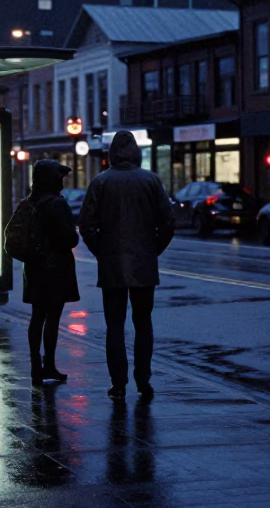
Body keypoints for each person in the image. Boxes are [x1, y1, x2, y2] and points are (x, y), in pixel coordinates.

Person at [77, 130, 175, 401]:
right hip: (144, 266)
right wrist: (152, 250)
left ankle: (118, 383)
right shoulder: (151, 181)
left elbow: (86, 225)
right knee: (143, 323)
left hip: (112, 267)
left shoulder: (100, 182)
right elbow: (167, 223)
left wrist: (102, 251)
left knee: (115, 326)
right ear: (135, 152)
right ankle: (143, 381)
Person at [21, 159, 80, 383]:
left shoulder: (30, 202)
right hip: (55, 268)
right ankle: (49, 365)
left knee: (37, 317)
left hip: (34, 266)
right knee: (52, 318)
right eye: (59, 178)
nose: (62, 183)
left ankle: (36, 365)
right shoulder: (56, 204)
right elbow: (70, 238)